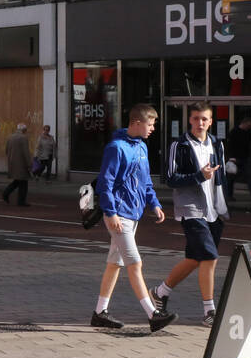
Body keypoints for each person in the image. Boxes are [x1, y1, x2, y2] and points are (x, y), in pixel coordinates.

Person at [90, 103, 176, 332]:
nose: (153, 128)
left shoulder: (142, 148)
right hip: (119, 215)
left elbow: (146, 181)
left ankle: (100, 312)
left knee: (114, 264)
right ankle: (153, 314)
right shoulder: (116, 148)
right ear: (137, 123)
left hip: (132, 213)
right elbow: (105, 183)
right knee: (135, 263)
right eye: (150, 124)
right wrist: (110, 213)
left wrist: (154, 204)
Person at [149, 102, 227, 329]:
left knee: (196, 259)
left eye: (204, 119)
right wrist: (199, 176)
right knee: (210, 258)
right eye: (196, 119)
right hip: (191, 209)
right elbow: (171, 178)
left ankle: (160, 293)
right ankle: (209, 311)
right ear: (189, 120)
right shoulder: (180, 145)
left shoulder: (217, 144)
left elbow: (221, 177)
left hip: (214, 209)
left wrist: (224, 204)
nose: (200, 123)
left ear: (211, 121)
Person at [224, 116, 251, 203]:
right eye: (248, 125)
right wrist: (231, 157)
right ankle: (229, 195)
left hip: (244, 158)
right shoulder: (234, 132)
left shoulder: (247, 132)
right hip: (234, 158)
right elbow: (229, 145)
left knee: (249, 176)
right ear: (244, 123)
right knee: (231, 177)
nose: (249, 127)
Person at [3, 123, 32, 206]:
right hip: (21, 164)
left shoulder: (10, 137)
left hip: (12, 162)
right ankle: (21, 201)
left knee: (18, 181)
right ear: (24, 130)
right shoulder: (23, 138)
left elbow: (6, 150)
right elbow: (26, 153)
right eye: (26, 130)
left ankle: (6, 193)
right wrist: (29, 164)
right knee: (23, 183)